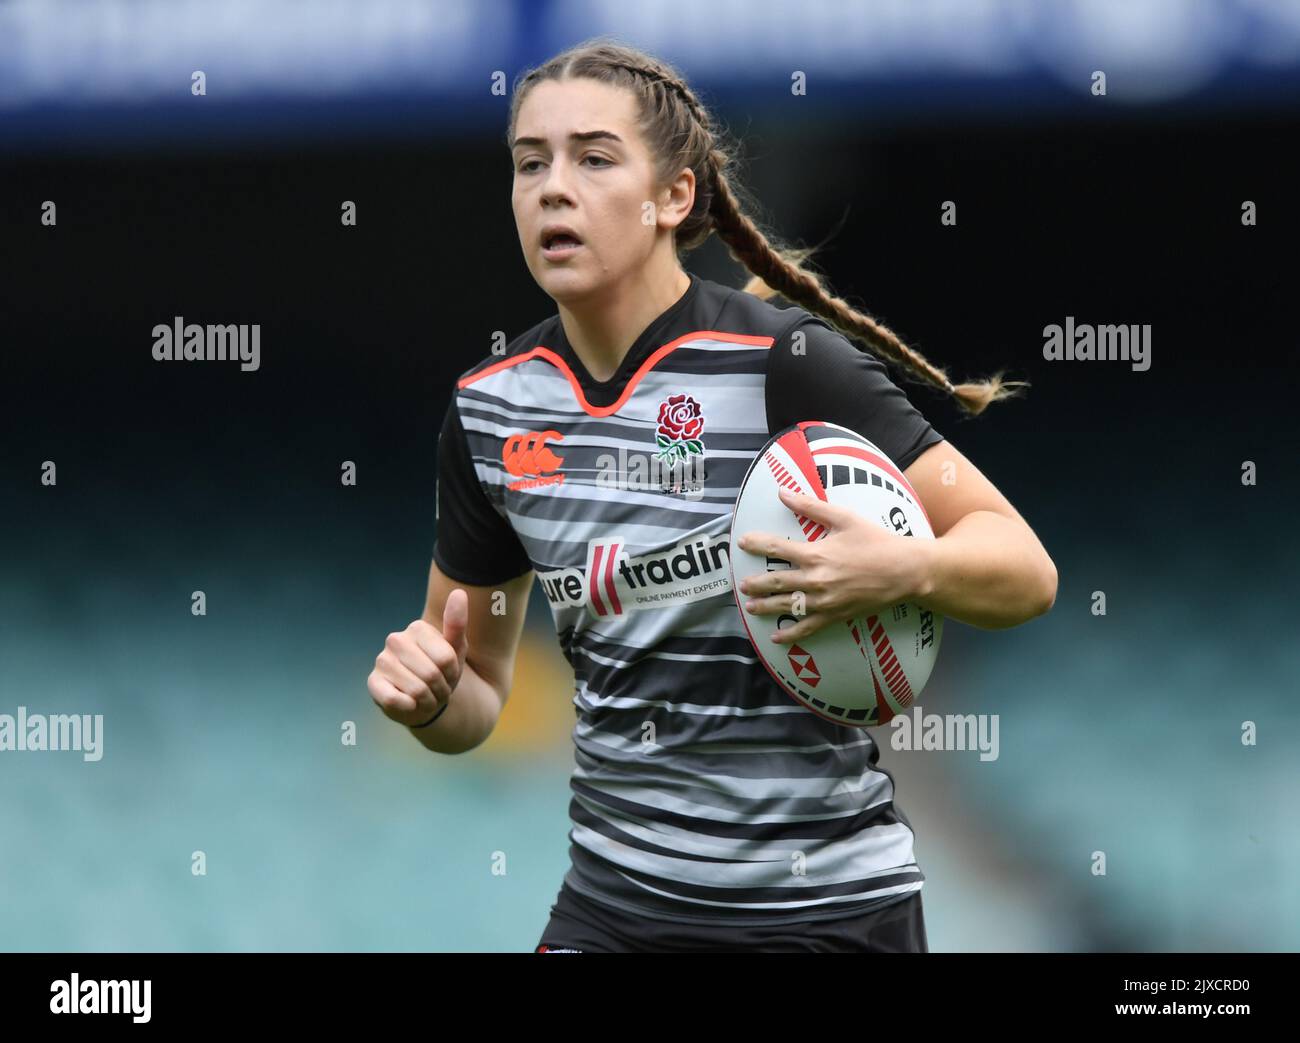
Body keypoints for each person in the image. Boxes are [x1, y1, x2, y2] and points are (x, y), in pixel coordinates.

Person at [367, 38, 1058, 953]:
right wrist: (432, 701)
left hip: (827, 912)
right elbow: (478, 692)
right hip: (616, 909)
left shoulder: (785, 364)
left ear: (674, 197)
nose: (551, 188)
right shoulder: (493, 412)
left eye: (594, 158)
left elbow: (1027, 570)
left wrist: (906, 564)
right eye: (529, 162)